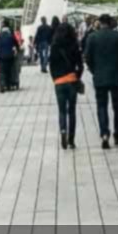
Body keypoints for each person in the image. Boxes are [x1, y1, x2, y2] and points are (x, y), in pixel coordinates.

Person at [84, 12, 118, 149]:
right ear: (110, 23)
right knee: (117, 106)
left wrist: (94, 70)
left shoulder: (92, 37)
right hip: (116, 76)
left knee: (101, 106)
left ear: (99, 23)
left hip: (100, 77)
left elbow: (87, 57)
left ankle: (104, 133)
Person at [49, 19, 84, 149]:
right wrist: (77, 76)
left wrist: (55, 78)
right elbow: (80, 65)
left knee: (62, 110)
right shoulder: (74, 45)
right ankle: (71, 139)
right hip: (71, 80)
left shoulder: (54, 46)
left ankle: (63, 130)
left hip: (59, 82)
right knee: (72, 111)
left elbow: (51, 65)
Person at [0, 22, 19, 93]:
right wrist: (17, 50)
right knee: (9, 71)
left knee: (1, 71)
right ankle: (8, 86)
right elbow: (16, 45)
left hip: (0, 57)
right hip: (9, 57)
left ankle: (2, 85)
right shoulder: (11, 37)